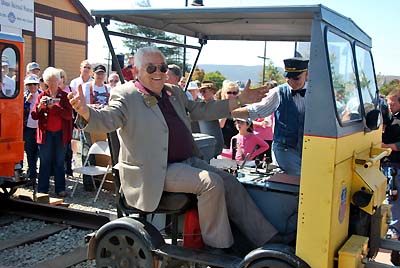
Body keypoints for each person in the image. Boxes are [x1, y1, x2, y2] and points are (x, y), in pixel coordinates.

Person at [69, 46, 286, 251]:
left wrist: (238, 101)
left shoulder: (173, 92)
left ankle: (267, 239)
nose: (159, 73)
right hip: (155, 170)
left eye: (162, 68)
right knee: (211, 183)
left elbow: (201, 109)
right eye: (151, 68)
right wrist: (86, 112)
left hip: (186, 162)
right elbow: (109, 118)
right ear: (136, 71)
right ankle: (218, 247)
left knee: (230, 181)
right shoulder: (126, 95)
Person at [232, 57, 309, 176]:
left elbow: (336, 114)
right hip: (285, 149)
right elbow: (257, 110)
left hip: (310, 148)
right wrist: (228, 111)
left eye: (296, 78)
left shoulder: (316, 92)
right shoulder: (278, 92)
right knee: (296, 177)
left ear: (307, 74)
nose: (291, 82)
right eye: (288, 77)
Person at [31, 67, 73, 197]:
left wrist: (54, 107)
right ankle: (42, 189)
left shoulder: (65, 96)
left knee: (60, 161)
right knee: (45, 161)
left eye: (54, 80)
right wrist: (39, 107)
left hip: (61, 133)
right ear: (46, 82)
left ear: (59, 81)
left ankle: (60, 189)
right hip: (46, 134)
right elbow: (34, 115)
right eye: (49, 81)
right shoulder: (42, 96)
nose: (52, 83)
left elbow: (68, 115)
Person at [80, 64, 111, 191]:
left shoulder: (109, 88)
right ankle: (88, 183)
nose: (99, 75)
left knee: (103, 152)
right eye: (97, 73)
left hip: (104, 124)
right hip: (89, 123)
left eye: (102, 73)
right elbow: (83, 105)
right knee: (88, 150)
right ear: (94, 74)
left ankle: (101, 182)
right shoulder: (86, 87)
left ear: (105, 75)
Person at [381, 89, 400, 265]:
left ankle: (395, 239)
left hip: (396, 167)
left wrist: (386, 146)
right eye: (389, 103)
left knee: (395, 201)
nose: (390, 106)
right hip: (389, 165)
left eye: (393, 103)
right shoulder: (390, 117)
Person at [197, 80, 224, 157]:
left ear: (212, 91)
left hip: (214, 144)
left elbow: (221, 124)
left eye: (204, 91)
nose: (202, 93)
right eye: (201, 91)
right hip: (203, 144)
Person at [23, 74, 41, 182]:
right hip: (28, 128)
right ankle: (32, 176)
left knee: (39, 153)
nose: (33, 87)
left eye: (35, 84)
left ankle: (37, 175)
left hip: (40, 128)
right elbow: (20, 112)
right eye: (30, 84)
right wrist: (27, 103)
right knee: (30, 152)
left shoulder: (42, 95)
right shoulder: (24, 96)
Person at [219, 80, 240, 149]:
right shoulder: (220, 106)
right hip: (224, 141)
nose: (232, 95)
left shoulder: (241, 107)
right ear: (224, 93)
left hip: (238, 141)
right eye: (229, 93)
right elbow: (220, 125)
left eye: (234, 93)